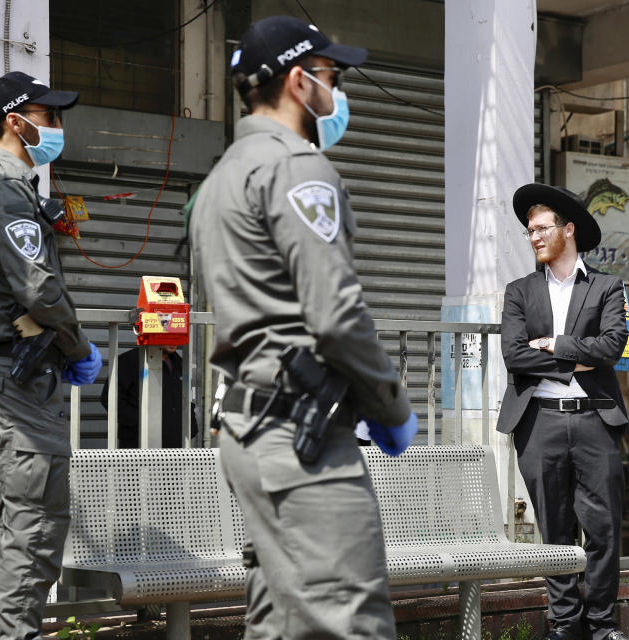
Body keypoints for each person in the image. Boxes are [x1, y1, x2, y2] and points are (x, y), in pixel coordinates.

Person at [190, 15, 418, 638]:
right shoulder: (298, 169)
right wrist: (391, 406)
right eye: (331, 77)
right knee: (349, 620)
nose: (336, 92)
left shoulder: (219, 180)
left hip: (250, 429)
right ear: (299, 81)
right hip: (301, 437)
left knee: (281, 621)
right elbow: (337, 316)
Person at [0, 71, 102, 640]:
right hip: (13, 373)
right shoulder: (1, 189)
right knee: (34, 523)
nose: (58, 126)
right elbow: (37, 288)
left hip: (16, 370)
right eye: (49, 116)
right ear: (16, 121)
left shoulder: (9, 189)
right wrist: (79, 345)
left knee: (21, 520)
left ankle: (6, 632)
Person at [497, 184, 629, 640]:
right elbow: (514, 356)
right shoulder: (519, 291)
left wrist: (555, 344)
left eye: (541, 228)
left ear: (568, 229)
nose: (533, 237)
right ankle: (564, 624)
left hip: (595, 417)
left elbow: (612, 346)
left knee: (603, 527)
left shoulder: (608, 286)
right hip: (538, 421)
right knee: (553, 528)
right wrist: (579, 357)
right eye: (528, 231)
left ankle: (601, 625)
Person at [100, 345, 199, 447]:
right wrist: (142, 424)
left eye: (177, 335)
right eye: (167, 334)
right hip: (139, 448)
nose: (173, 341)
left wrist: (190, 427)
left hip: (174, 448)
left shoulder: (179, 363)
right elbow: (110, 399)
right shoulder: (129, 361)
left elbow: (186, 397)